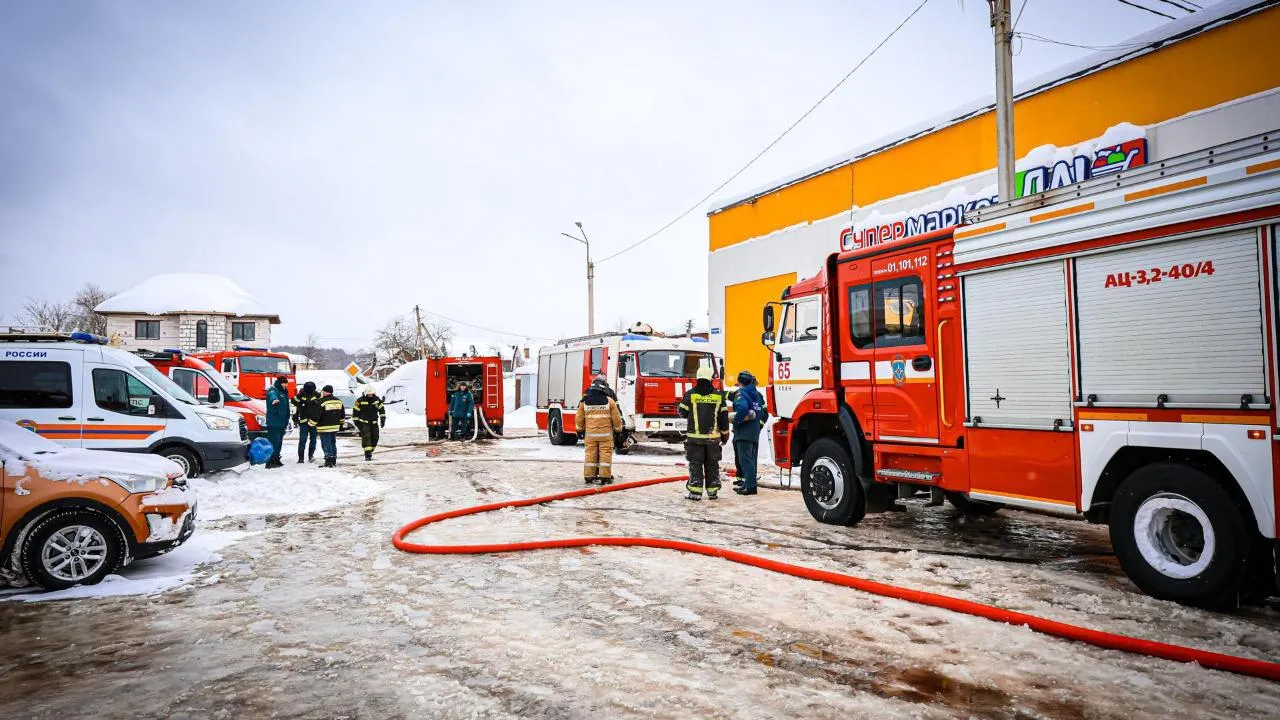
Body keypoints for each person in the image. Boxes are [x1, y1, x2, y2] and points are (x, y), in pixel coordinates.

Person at [677, 366, 729, 501]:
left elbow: (682, 411)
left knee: (695, 464)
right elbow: (724, 418)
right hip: (713, 439)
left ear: (698, 378)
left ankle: (695, 492)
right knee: (712, 465)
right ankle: (712, 492)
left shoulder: (690, 394)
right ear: (711, 378)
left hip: (694, 439)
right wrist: (725, 435)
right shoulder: (718, 396)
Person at [576, 376, 624, 485]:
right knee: (605, 454)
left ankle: (589, 476)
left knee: (590, 454)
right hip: (606, 435)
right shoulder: (609, 401)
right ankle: (605, 477)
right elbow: (616, 418)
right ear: (603, 388)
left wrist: (579, 430)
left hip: (590, 435)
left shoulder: (584, 401)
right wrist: (618, 430)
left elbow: (579, 418)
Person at [731, 370, 767, 495]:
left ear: (740, 382)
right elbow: (761, 412)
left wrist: (737, 420)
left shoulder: (741, 393)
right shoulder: (756, 394)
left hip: (744, 432)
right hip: (754, 431)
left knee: (745, 460)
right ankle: (747, 484)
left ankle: (751, 487)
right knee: (749, 460)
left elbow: (742, 408)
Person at [291, 380, 322, 464]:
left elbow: (320, 407)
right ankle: (301, 458)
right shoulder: (301, 395)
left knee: (313, 440)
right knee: (302, 440)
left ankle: (310, 456)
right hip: (304, 422)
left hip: (314, 422)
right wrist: (301, 394)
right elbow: (293, 401)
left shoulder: (317, 395)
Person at [352, 386, 386, 461]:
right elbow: (355, 412)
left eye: (372, 394)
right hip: (364, 423)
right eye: (369, 394)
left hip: (374, 423)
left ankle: (370, 450)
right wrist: (357, 423)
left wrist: (383, 419)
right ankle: (368, 454)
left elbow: (382, 411)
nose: (370, 395)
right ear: (365, 393)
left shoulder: (377, 400)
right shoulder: (360, 401)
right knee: (366, 438)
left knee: (375, 437)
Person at [264, 375, 291, 469]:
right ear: (280, 383)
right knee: (274, 442)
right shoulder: (274, 390)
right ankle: (270, 461)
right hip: (274, 421)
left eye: (286, 383)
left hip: (282, 421)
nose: (286, 385)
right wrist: (274, 400)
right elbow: (272, 396)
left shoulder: (284, 391)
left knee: (279, 442)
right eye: (284, 383)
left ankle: (276, 458)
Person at [316, 385, 346, 467]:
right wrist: (341, 424)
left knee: (326, 443)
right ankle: (333, 460)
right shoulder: (338, 401)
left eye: (323, 391)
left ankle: (328, 461)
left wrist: (312, 424)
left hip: (324, 427)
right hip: (335, 426)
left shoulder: (321, 401)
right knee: (333, 443)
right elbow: (342, 415)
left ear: (325, 392)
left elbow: (317, 415)